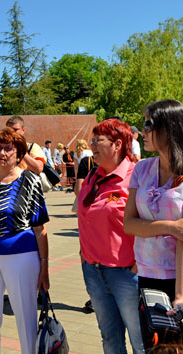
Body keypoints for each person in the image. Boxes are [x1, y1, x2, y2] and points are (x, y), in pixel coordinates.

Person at [0, 128, 49, 354]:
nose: (2, 153)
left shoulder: (30, 180)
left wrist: (44, 266)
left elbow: (40, 229)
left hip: (21, 257)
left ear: (19, 153)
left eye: (8, 148)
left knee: (25, 317)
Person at [77, 119, 144, 353]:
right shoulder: (92, 175)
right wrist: (84, 256)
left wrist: (138, 265)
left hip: (126, 273)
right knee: (110, 338)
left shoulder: (136, 176)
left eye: (98, 140)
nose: (92, 145)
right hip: (93, 271)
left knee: (140, 340)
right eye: (92, 140)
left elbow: (147, 221)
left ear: (117, 144)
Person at [123, 100, 183, 347]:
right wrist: (169, 227)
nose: (143, 131)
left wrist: (180, 294)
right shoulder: (142, 169)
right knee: (154, 347)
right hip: (147, 275)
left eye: (148, 125)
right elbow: (129, 224)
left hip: (178, 278)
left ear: (169, 128)